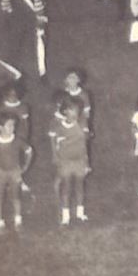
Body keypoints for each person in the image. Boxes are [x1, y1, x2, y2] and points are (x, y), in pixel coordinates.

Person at [0, 113, 32, 232]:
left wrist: (24, 168)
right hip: (0, 172)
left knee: (16, 196)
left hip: (14, 171)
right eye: (9, 126)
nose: (12, 128)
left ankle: (18, 220)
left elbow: (29, 151)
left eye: (13, 125)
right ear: (0, 127)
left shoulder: (17, 140)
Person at [49, 94, 91, 225]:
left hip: (80, 160)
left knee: (80, 186)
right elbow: (54, 142)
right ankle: (66, 215)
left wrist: (86, 161)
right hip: (65, 161)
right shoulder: (58, 126)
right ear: (65, 111)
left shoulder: (82, 124)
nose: (75, 114)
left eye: (78, 111)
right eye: (72, 110)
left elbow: (85, 143)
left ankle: (80, 212)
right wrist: (55, 156)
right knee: (66, 187)